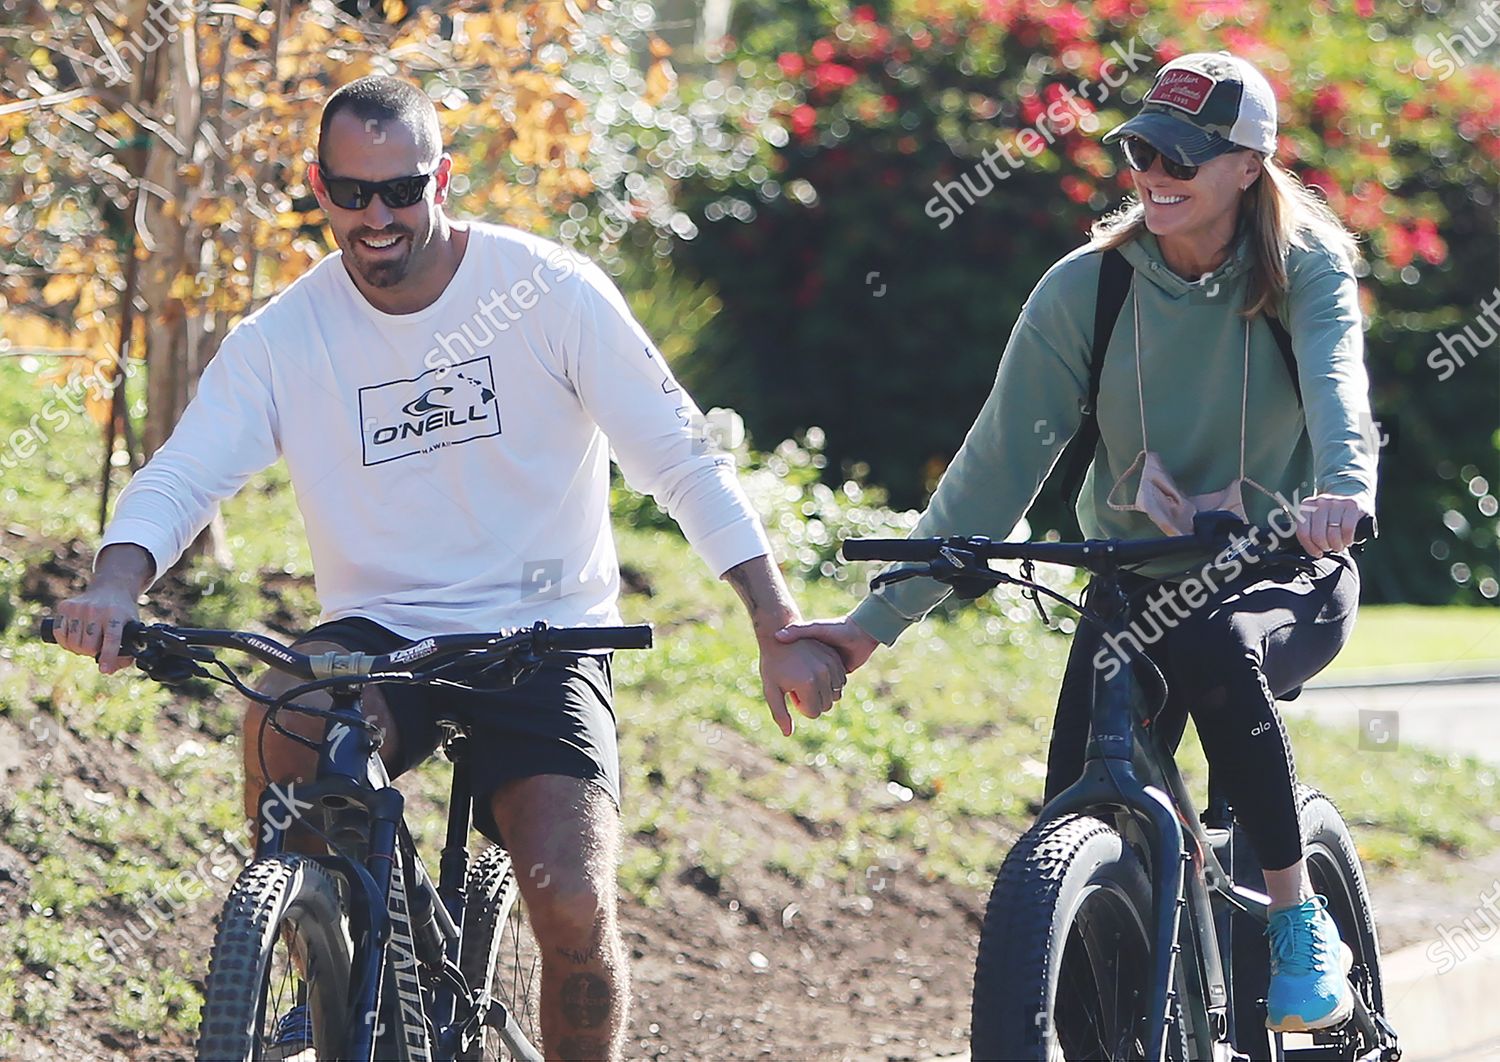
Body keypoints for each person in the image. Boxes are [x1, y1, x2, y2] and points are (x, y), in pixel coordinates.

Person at [53, 75, 846, 1061]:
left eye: (403, 190)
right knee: (284, 719)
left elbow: (681, 459)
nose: (377, 216)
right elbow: (180, 475)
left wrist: (773, 619)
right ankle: (322, 962)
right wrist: (117, 585)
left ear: (445, 178)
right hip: (381, 632)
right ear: (318, 187)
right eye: (351, 193)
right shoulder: (284, 339)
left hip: (546, 634)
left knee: (569, 900)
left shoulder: (546, 292)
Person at [778, 52, 1377, 1034]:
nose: (1154, 171)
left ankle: (1295, 913)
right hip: (1138, 584)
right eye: (1142, 149)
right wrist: (868, 628)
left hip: (1286, 569)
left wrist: (1343, 493)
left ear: (1246, 166)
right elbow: (995, 468)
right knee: (1071, 817)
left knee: (1217, 647)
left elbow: (1338, 392)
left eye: (1181, 155)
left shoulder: (1304, 267)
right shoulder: (1086, 291)